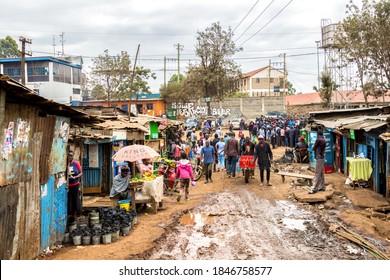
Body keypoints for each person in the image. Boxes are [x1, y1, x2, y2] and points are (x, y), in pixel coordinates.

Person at [67, 151, 83, 218]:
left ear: (73, 156)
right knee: (69, 200)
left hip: (75, 185)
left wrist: (76, 177)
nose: (70, 157)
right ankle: (69, 215)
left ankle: (75, 215)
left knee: (75, 200)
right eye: (69, 156)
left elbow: (81, 173)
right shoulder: (66, 165)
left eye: (71, 156)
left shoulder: (76, 164)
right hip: (68, 186)